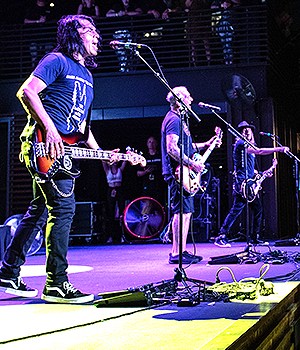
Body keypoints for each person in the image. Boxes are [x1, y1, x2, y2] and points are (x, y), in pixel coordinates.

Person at [0, 14, 104, 304]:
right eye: (89, 30)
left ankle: (8, 271)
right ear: (73, 34)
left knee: (39, 210)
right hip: (44, 146)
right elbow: (27, 92)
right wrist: (49, 129)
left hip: (66, 147)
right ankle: (56, 283)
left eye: (96, 31)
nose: (96, 36)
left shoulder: (87, 75)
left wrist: (101, 153)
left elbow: (83, 124)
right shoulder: (56, 60)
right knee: (63, 209)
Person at [161, 86, 221, 264]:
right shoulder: (174, 120)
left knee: (184, 212)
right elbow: (172, 148)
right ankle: (177, 253)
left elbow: (186, 147)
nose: (192, 99)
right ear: (179, 100)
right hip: (178, 172)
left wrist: (207, 144)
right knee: (181, 212)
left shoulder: (180, 120)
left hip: (183, 171)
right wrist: (192, 164)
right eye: (188, 97)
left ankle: (180, 250)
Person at [214, 121, 289, 248]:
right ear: (239, 132)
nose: (247, 131)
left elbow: (251, 169)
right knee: (236, 210)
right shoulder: (240, 144)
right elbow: (259, 151)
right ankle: (221, 236)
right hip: (242, 184)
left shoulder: (248, 146)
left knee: (257, 209)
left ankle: (254, 237)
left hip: (249, 183)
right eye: (244, 130)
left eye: (248, 129)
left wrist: (261, 173)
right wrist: (279, 149)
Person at [102, 160, 127, 243]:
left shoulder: (120, 169)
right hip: (111, 190)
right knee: (110, 213)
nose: (115, 162)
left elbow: (125, 161)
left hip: (119, 190)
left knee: (122, 212)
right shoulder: (107, 170)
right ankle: (111, 236)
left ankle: (122, 236)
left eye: (116, 161)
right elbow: (103, 161)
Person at [137, 136, 165, 205]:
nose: (151, 144)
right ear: (147, 144)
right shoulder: (143, 158)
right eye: (149, 142)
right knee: (147, 204)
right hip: (147, 185)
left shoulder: (161, 156)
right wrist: (146, 172)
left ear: (156, 144)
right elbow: (138, 173)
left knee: (159, 205)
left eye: (153, 142)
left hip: (159, 185)